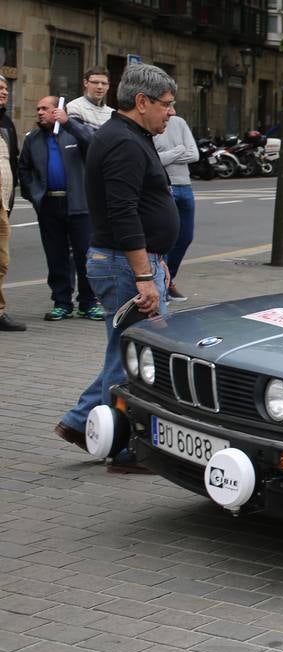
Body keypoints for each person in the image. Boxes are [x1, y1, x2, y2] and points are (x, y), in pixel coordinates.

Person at [56, 63, 180, 472]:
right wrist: (146, 275)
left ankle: (80, 422)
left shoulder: (126, 135)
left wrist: (159, 264)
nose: (171, 112)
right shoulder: (125, 142)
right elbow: (124, 213)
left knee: (121, 350)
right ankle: (125, 448)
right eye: (165, 104)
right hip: (124, 267)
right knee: (136, 358)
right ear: (141, 102)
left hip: (130, 263)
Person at [18, 96, 99, 321]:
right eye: (38, 109)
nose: (40, 112)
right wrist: (34, 195)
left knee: (85, 255)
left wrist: (68, 123)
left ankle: (88, 303)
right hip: (49, 205)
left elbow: (94, 144)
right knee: (56, 256)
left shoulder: (74, 131)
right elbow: (24, 169)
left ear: (58, 110)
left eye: (45, 108)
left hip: (79, 205)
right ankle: (62, 302)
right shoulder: (32, 139)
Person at [155, 114, 199, 301]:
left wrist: (168, 155)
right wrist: (179, 150)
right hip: (165, 186)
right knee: (165, 239)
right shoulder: (152, 123)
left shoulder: (180, 122)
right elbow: (154, 159)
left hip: (185, 186)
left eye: (172, 103)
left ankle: (168, 278)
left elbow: (194, 154)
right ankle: (161, 284)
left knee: (185, 237)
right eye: (166, 104)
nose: (170, 110)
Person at [0, 76, 21, 331]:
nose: (4, 92)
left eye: (5, 88)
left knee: (2, 262)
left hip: (3, 203)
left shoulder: (6, 122)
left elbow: (13, 163)